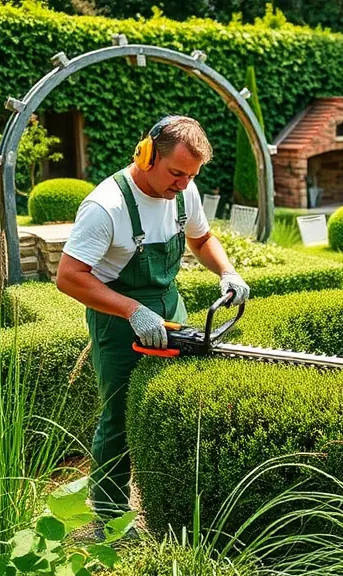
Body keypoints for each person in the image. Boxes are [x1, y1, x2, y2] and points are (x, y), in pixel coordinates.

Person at [56, 115, 250, 529]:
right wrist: (131, 310)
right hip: (117, 318)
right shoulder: (105, 206)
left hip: (170, 306)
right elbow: (69, 277)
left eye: (191, 175)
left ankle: (169, 495)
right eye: (177, 173)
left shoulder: (184, 192)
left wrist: (227, 272)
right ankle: (108, 514)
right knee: (120, 416)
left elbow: (201, 239)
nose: (184, 184)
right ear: (146, 155)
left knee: (176, 399)